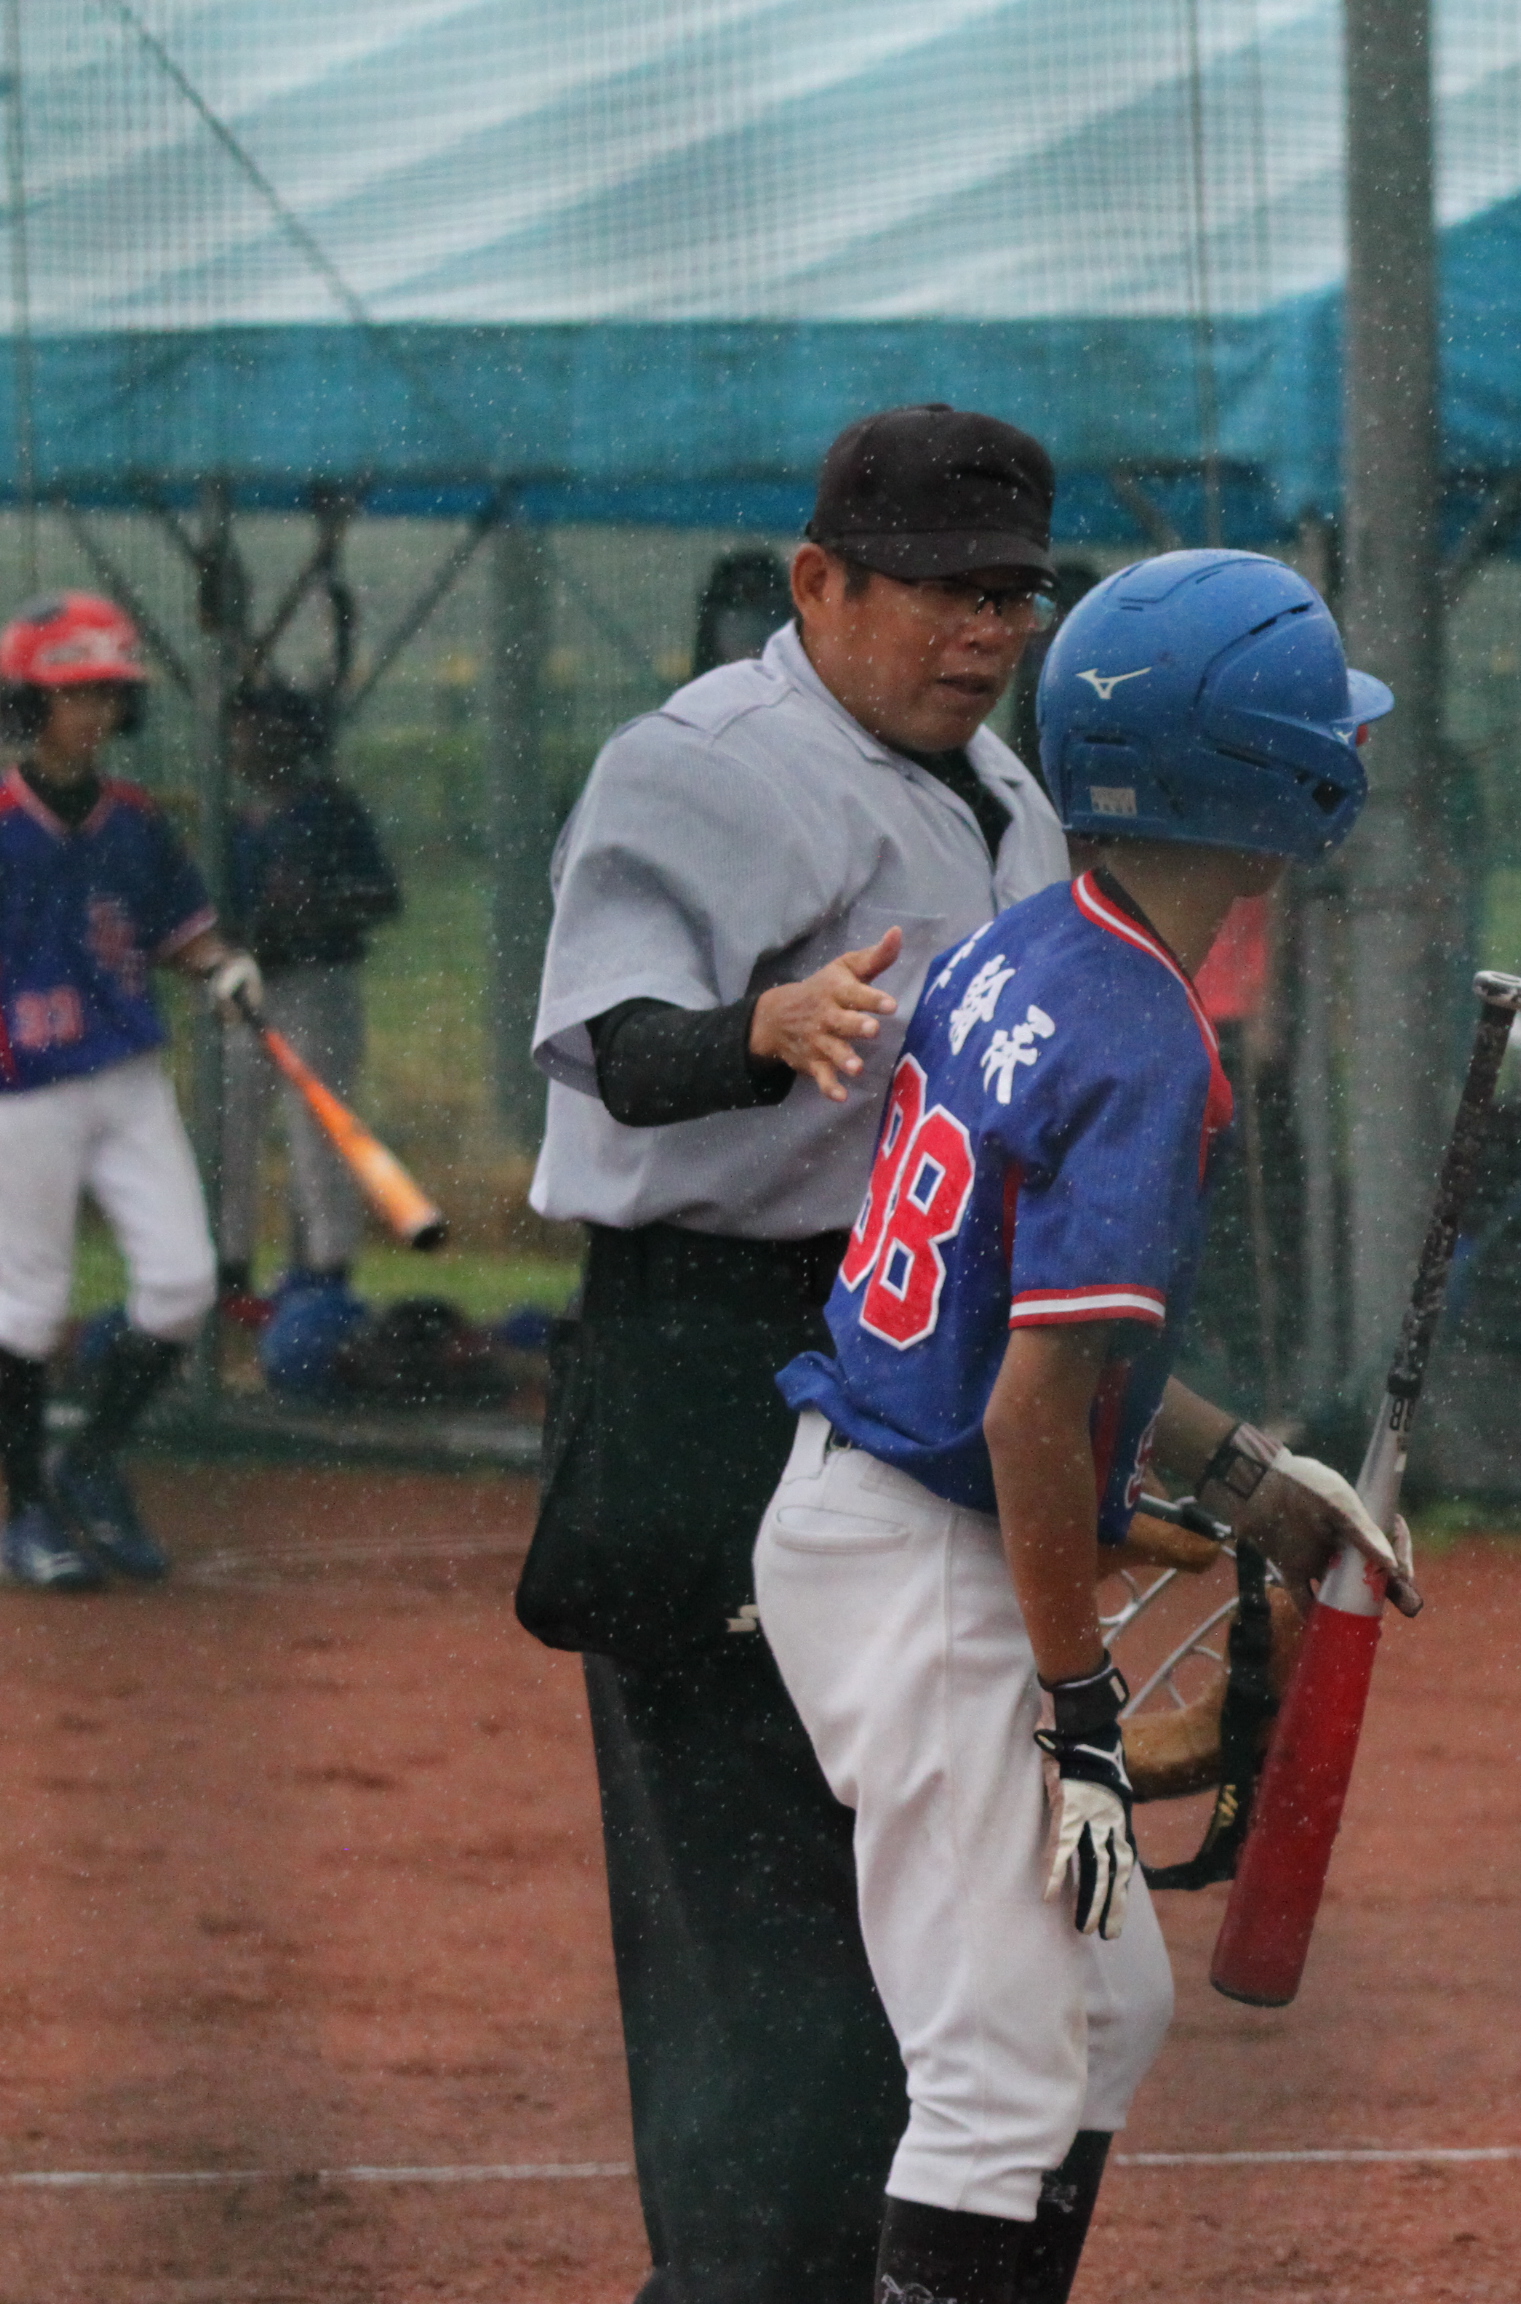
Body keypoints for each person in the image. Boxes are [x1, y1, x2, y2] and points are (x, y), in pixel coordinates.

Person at [760, 549, 1396, 2302]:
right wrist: (1082, 1704)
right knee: (997, 2069)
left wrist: (1247, 1476)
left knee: (1105, 2004)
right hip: (928, 1559)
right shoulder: (1144, 1039)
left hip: (884, 1518)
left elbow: (1023, 1333)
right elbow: (1035, 1405)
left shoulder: (1027, 942)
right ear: (1271, 789)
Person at [515, 405, 1075, 2304]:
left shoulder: (1006, 789)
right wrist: (758, 1028)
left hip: (920, 1357)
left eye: (1010, 592)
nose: (981, 627)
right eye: (937, 587)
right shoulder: (706, 764)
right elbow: (614, 1046)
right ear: (818, 579)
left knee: (923, 1910)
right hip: (714, 1358)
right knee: (751, 1929)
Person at [0, 592, 260, 1592]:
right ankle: (27, 1509)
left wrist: (222, 966)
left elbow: (181, 931)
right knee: (28, 1309)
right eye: (76, 693)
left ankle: (92, 1458)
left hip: (127, 1076)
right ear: (30, 702)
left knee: (184, 1285)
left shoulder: (135, 822)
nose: (96, 711)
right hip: (24, 1090)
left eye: (108, 693)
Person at [214, 681, 403, 1311]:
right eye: (241, 729)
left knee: (319, 1129)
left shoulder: (328, 809)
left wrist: (317, 904)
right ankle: (230, 1274)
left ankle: (325, 1276)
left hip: (317, 981)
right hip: (246, 983)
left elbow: (381, 897)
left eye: (260, 728)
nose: (247, 741)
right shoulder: (232, 819)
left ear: (293, 736)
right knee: (229, 1132)